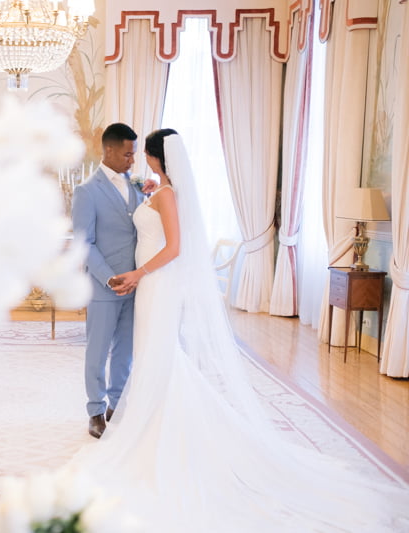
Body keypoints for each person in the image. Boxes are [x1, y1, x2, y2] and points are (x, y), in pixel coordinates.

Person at [70, 129, 409, 531]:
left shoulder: (163, 194)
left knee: (154, 353)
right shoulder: (147, 190)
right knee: (145, 352)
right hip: (138, 285)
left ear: (156, 157)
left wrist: (141, 272)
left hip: (152, 284)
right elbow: (102, 237)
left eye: (140, 153)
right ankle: (123, 411)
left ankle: (155, 421)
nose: (135, 158)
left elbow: (174, 246)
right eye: (128, 153)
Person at [71, 123, 155, 439]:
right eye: (127, 154)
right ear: (108, 150)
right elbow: (84, 243)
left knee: (125, 350)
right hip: (105, 286)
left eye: (133, 155)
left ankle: (116, 406)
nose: (132, 160)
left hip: (136, 284)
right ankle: (95, 410)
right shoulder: (86, 192)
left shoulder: (135, 186)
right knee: (98, 350)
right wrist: (109, 278)